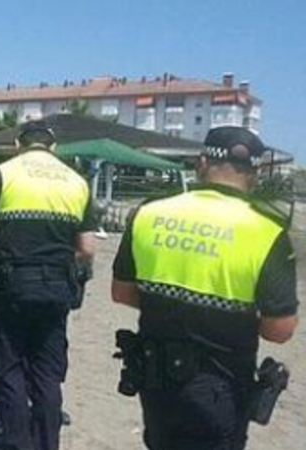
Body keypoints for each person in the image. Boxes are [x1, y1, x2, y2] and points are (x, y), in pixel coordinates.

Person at [111, 126, 299, 450]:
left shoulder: (149, 214)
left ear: (201, 163)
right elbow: (279, 330)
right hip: (220, 386)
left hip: (155, 377)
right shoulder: (268, 231)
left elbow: (121, 292)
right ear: (253, 174)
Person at [0, 121, 98, 450]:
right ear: (54, 148)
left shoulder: (4, 174)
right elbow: (86, 249)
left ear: (17, 145)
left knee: (7, 369)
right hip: (56, 288)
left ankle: (18, 444)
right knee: (47, 374)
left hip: (11, 286)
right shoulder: (77, 182)